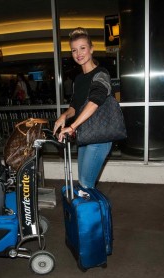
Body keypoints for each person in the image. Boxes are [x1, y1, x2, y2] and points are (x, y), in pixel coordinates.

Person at [53, 27, 112, 190]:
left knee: (85, 183)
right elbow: (75, 106)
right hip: (85, 134)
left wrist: (72, 126)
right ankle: (91, 213)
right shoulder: (78, 79)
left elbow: (94, 101)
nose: (78, 53)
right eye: (74, 50)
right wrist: (64, 115)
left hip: (99, 136)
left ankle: (96, 213)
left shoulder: (101, 74)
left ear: (91, 49)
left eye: (83, 48)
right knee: (85, 183)